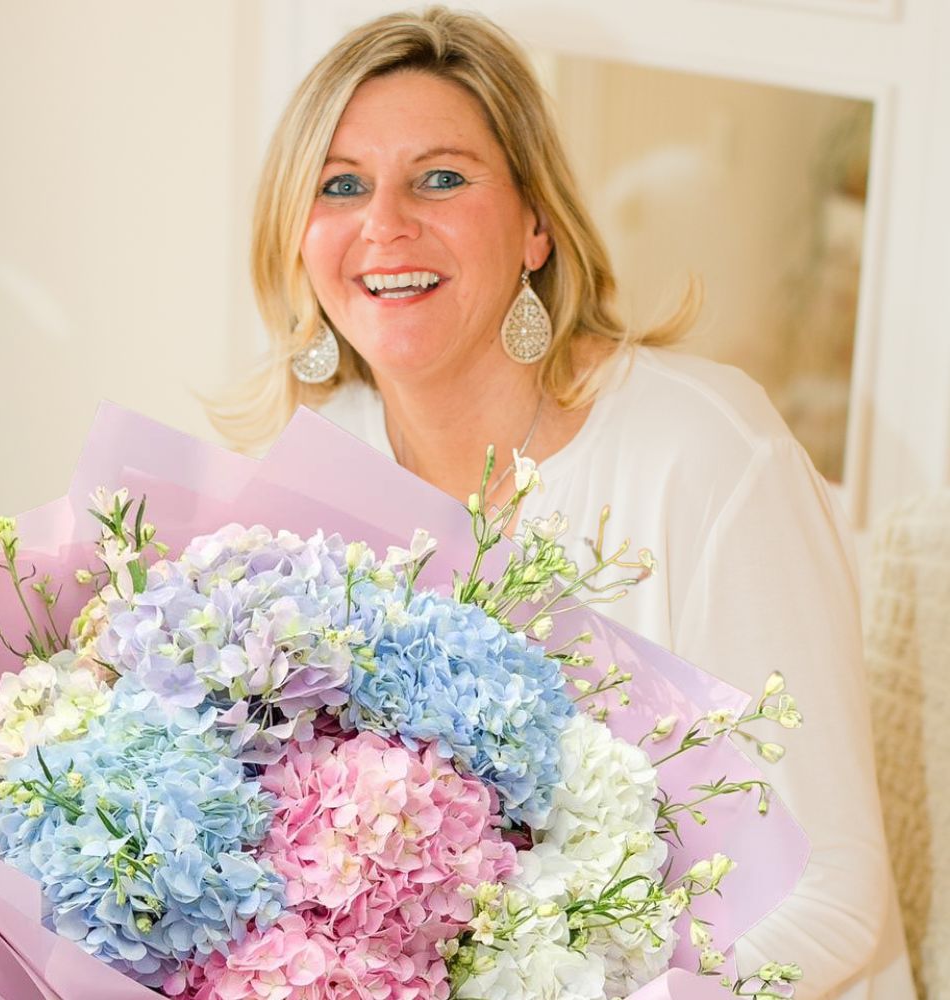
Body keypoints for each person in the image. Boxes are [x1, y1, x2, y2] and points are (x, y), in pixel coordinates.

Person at [212, 7, 915, 998]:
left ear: (535, 223)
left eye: (440, 177)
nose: (385, 225)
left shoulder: (701, 453)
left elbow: (837, 894)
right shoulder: (308, 479)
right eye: (340, 184)